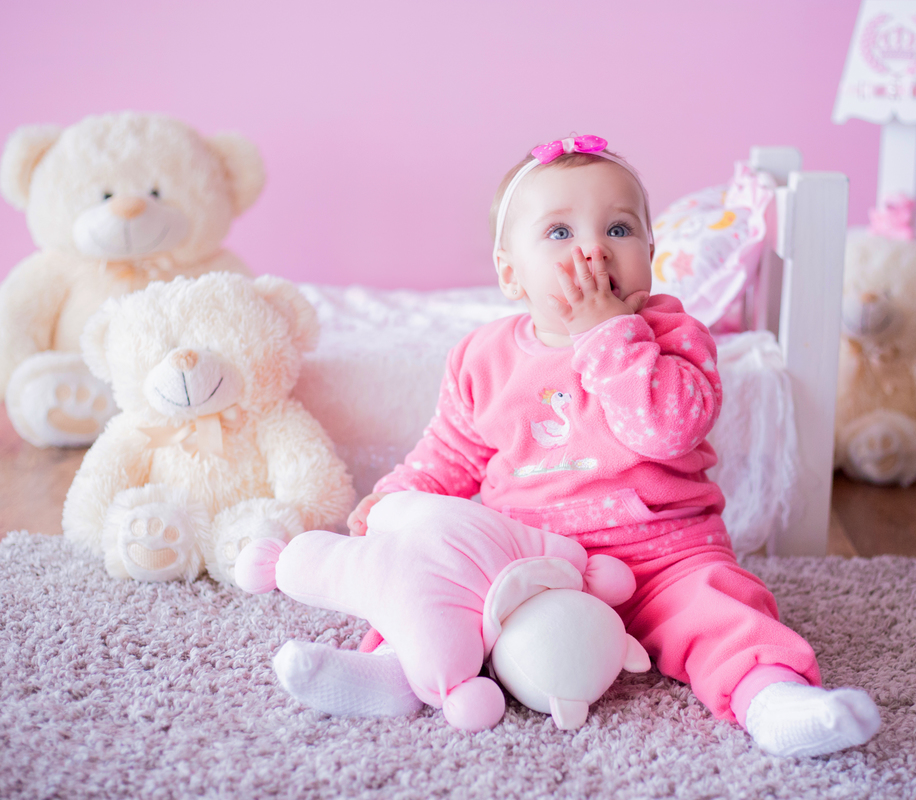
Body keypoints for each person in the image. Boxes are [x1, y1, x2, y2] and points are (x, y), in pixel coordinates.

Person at [285, 135, 880, 757]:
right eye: (560, 234)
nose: (594, 249)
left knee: (721, 606)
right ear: (511, 272)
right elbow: (453, 454)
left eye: (619, 229)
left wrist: (610, 337)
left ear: (652, 254)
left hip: (661, 555)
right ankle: (395, 675)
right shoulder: (482, 358)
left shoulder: (673, 335)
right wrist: (396, 498)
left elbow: (668, 428)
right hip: (518, 558)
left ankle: (770, 695)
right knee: (432, 576)